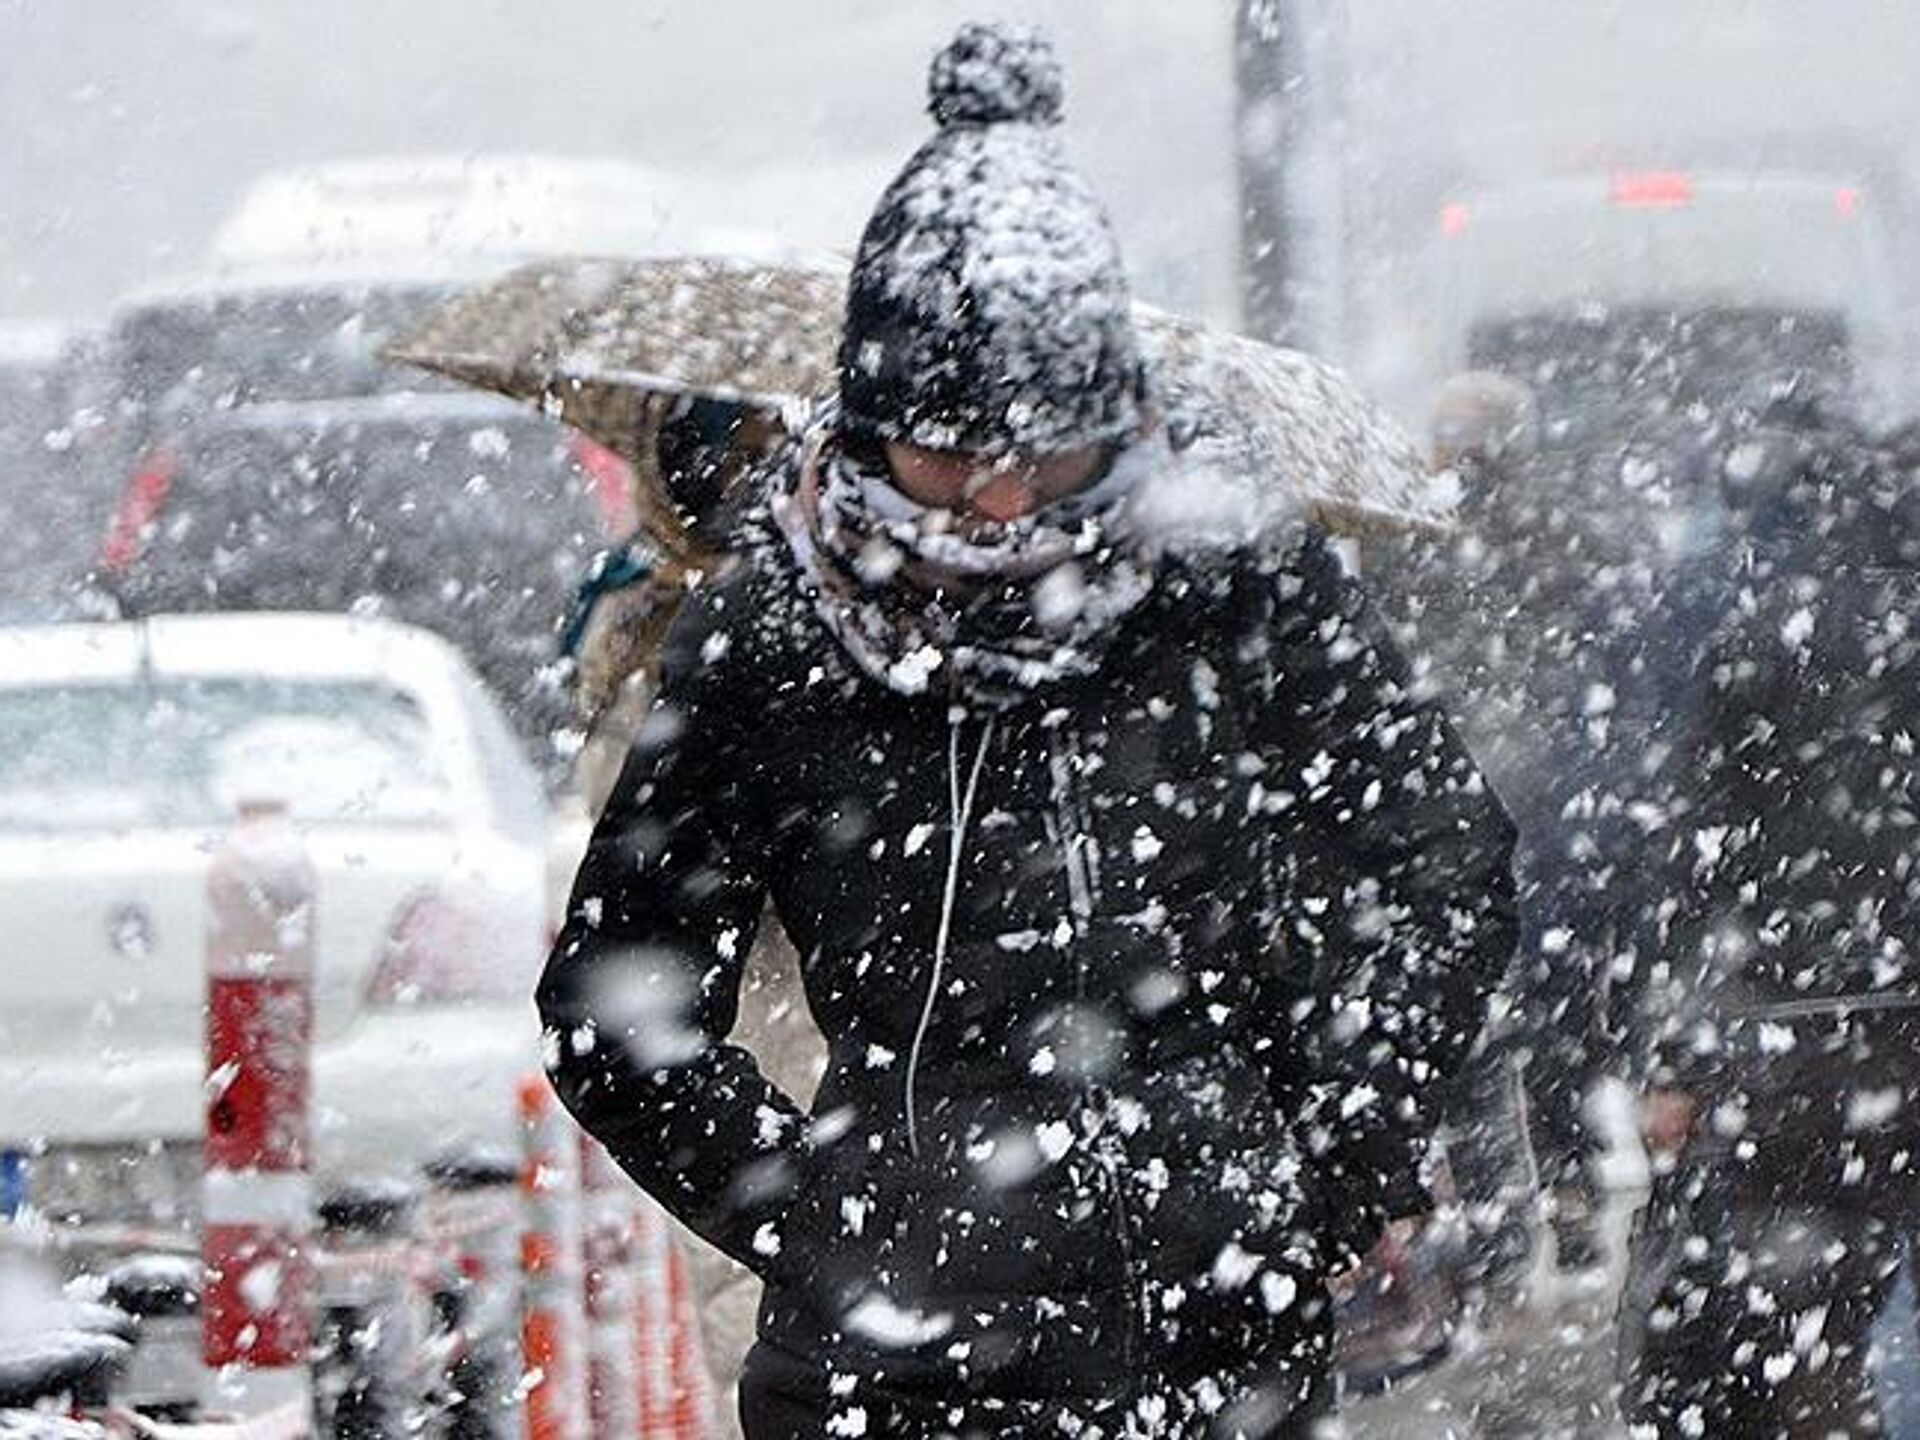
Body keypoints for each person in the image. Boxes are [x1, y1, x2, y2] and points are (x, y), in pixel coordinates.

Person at [538, 23, 1517, 1439]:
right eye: (947, 456)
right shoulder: (778, 630)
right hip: (894, 1373)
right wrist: (821, 1221)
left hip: (1221, 1336)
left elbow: (1441, 856)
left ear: (1117, 416)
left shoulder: (1229, 580)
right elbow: (612, 1007)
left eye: (1043, 458)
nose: (998, 509)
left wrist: (1337, 1150)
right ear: (868, 428)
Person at [1616, 400, 1920, 1435]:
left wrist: (1676, 1058)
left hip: (1785, 1041)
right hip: (1893, 1027)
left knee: (1804, 1319)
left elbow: (1695, 856)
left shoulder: (1757, 635)